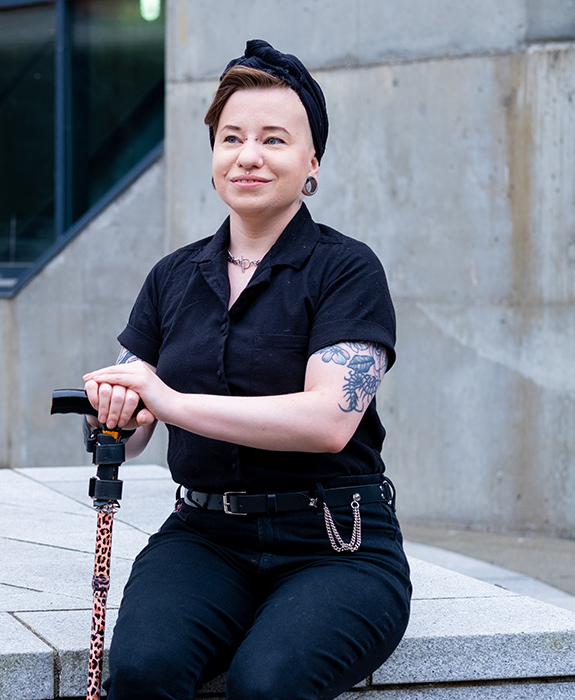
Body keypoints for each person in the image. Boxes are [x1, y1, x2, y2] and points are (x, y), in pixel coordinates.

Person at [81, 40, 411, 700]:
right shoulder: (172, 277)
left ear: (311, 160)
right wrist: (113, 410)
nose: (249, 156)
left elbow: (327, 422)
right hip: (204, 536)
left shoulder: (348, 271)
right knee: (144, 671)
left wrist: (167, 400)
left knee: (269, 683)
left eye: (273, 139)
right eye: (231, 138)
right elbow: (132, 424)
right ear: (213, 158)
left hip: (336, 543)